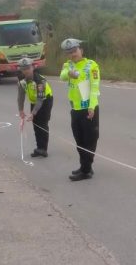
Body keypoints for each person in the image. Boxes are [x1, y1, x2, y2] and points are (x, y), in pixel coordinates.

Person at [59, 38, 101, 181]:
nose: (73, 54)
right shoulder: (68, 65)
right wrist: (69, 73)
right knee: (79, 141)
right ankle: (85, 166)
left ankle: (86, 170)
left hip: (89, 109)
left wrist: (92, 106)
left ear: (81, 50)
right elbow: (62, 76)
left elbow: (95, 87)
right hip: (75, 110)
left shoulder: (91, 66)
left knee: (90, 140)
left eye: (75, 51)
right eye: (69, 52)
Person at [17, 57, 53, 157]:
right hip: (34, 101)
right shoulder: (22, 80)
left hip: (45, 100)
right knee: (36, 124)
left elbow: (40, 100)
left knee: (43, 123)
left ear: (32, 67)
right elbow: (20, 96)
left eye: (28, 68)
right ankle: (39, 148)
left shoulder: (40, 81)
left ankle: (43, 149)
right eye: (23, 69)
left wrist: (33, 113)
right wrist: (20, 110)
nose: (26, 71)